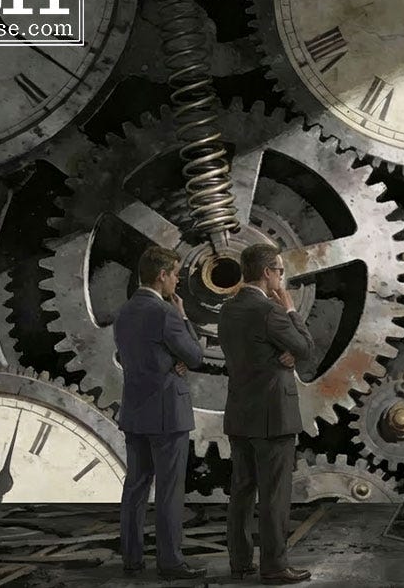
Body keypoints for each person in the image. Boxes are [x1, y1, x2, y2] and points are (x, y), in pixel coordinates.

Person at [219, 243, 317, 584]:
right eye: (279, 271)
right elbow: (305, 348)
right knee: (275, 494)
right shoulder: (271, 312)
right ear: (267, 274)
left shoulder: (228, 310)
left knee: (242, 492)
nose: (281, 276)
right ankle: (275, 567)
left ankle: (241, 563)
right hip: (273, 416)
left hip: (239, 413)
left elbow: (248, 352)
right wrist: (290, 310)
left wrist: (282, 351)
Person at [114, 246, 207, 580]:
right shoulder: (165, 313)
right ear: (162, 275)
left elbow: (132, 357)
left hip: (134, 410)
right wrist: (182, 318)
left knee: (135, 487)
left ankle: (132, 559)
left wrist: (167, 360)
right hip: (167, 412)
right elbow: (195, 356)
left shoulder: (124, 311)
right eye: (175, 274)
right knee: (169, 490)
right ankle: (170, 562)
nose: (177, 281)